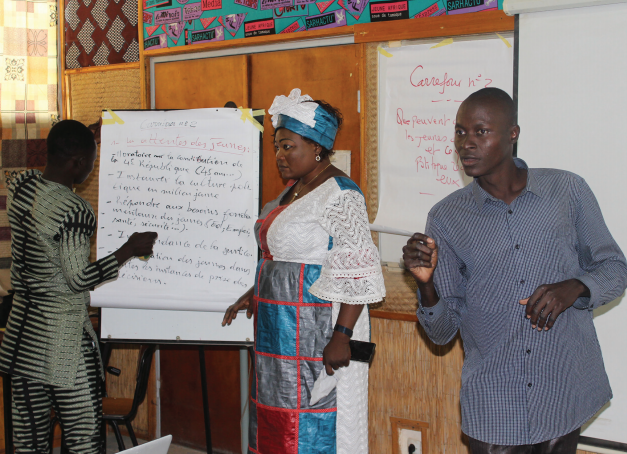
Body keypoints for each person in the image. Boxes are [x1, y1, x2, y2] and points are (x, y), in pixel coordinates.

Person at [402, 87, 627, 453]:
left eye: (480, 131)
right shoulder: (446, 218)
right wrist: (426, 286)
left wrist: (575, 287)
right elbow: (442, 333)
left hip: (564, 391)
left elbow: (615, 268)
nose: (466, 144)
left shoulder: (566, 190)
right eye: (460, 132)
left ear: (512, 134)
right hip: (495, 403)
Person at [222, 88, 385, 454]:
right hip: (277, 330)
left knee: (310, 416)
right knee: (276, 413)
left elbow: (359, 269)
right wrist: (256, 292)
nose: (279, 155)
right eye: (277, 146)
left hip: (312, 331)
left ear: (316, 148)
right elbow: (283, 253)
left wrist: (342, 335)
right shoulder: (295, 190)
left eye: (288, 146)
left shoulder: (340, 194)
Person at [0, 119, 158, 453]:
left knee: (29, 442)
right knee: (83, 439)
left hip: (20, 341)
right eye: (91, 160)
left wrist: (82, 137)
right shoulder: (75, 210)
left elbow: (35, 171)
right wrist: (128, 250)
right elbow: (79, 279)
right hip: (64, 344)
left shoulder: (21, 186)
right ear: (79, 163)